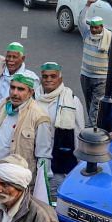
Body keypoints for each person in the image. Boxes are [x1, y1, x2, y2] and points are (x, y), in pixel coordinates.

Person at [36, 62, 85, 200]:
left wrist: (79, 164)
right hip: (36, 162)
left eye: (53, 76)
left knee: (55, 202)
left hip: (59, 164)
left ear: (60, 79)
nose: (49, 80)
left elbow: (78, 133)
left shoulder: (72, 100)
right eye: (45, 76)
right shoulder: (33, 98)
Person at [78, 0, 112, 126]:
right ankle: (94, 125)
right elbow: (81, 20)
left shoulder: (109, 38)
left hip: (101, 79)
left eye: (96, 27)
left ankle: (90, 129)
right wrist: (88, 4)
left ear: (102, 27)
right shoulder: (87, 34)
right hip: (86, 76)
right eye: (92, 27)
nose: (94, 29)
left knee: (95, 106)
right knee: (89, 105)